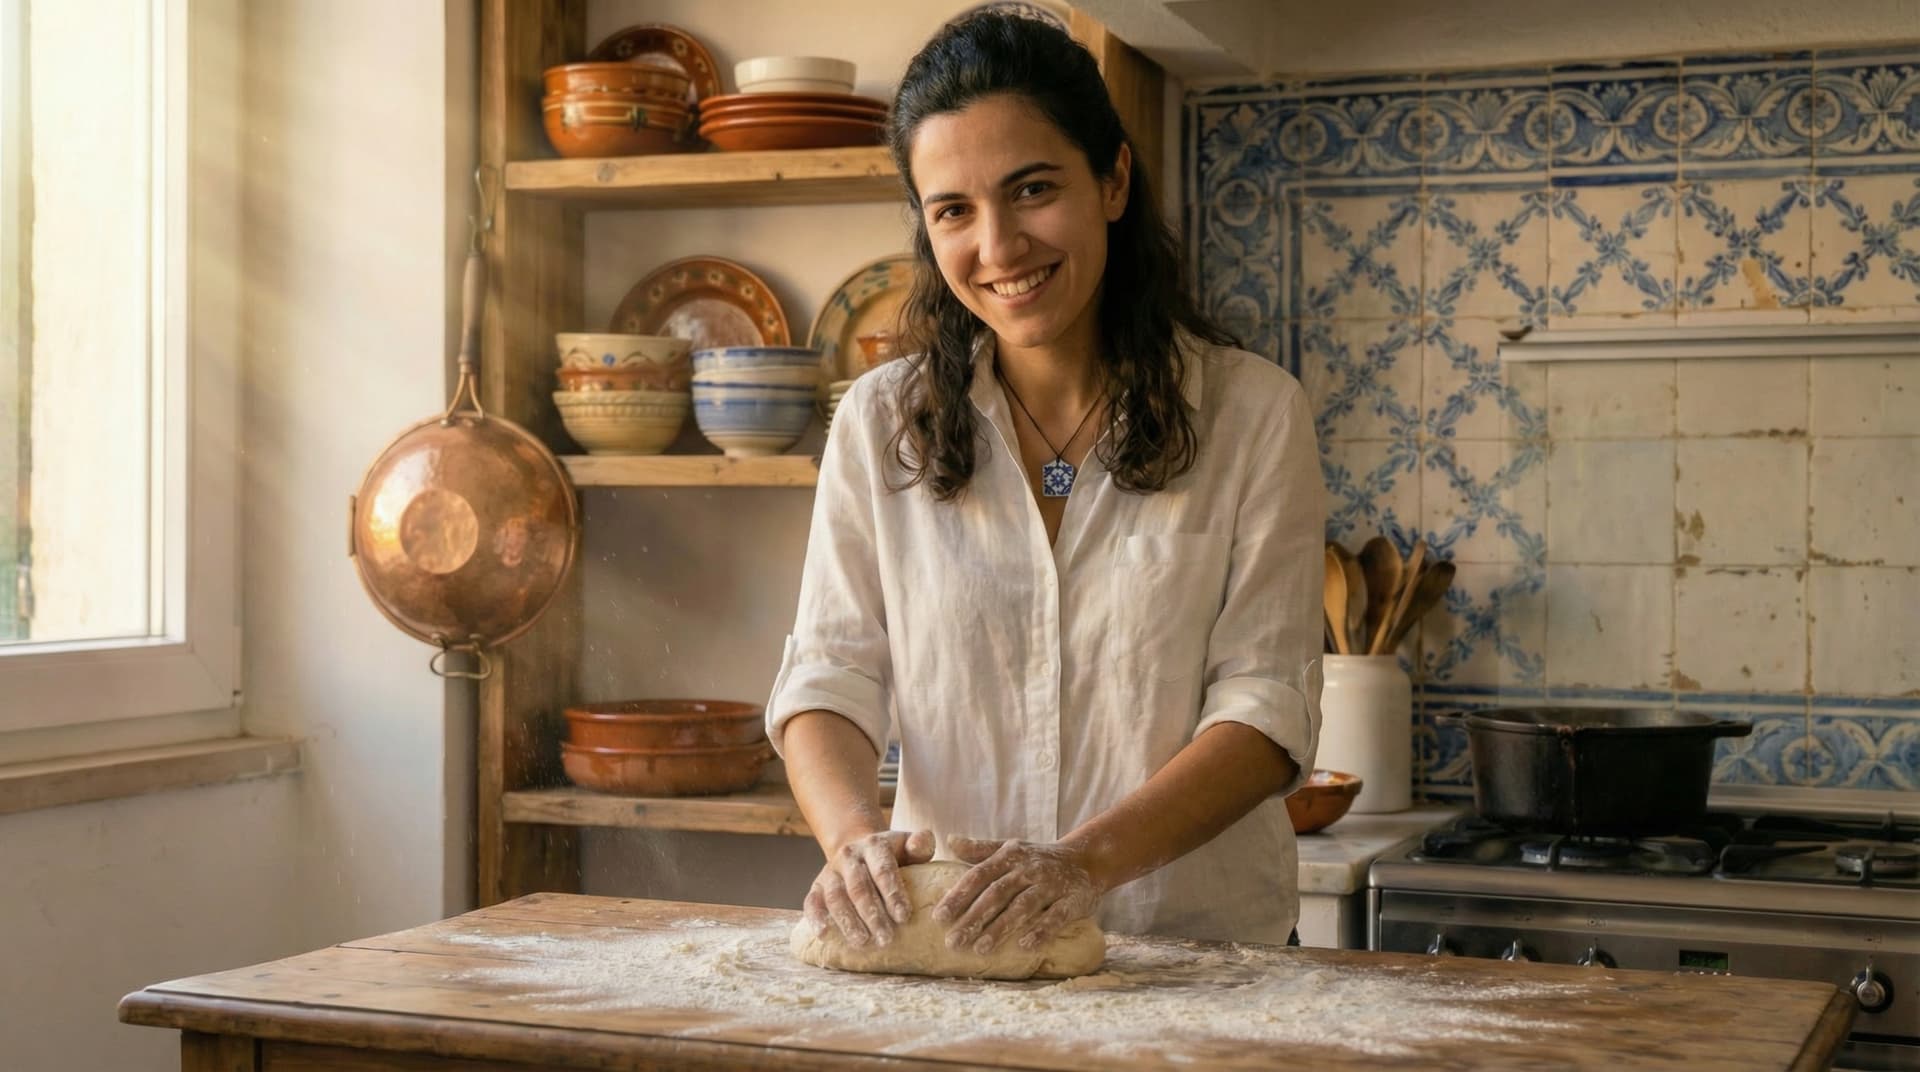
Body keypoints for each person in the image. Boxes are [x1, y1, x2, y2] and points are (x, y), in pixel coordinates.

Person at [765, 10, 1324, 960]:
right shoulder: (878, 422)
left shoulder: (1253, 414)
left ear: (1111, 180)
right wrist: (853, 842)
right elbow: (831, 674)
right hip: (955, 956)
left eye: (1031, 190)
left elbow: (1265, 708)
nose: (999, 246)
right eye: (953, 211)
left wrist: (1082, 865)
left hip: (1198, 962)